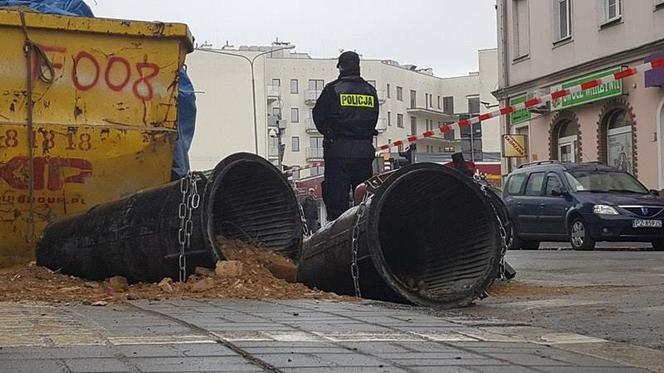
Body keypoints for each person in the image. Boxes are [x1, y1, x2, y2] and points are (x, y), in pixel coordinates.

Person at [312, 51, 379, 221]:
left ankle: (337, 237)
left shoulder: (332, 90)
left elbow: (319, 116)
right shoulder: (370, 91)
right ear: (358, 66)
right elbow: (374, 118)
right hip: (364, 151)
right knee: (364, 199)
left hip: (338, 151)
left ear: (340, 67)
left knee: (337, 200)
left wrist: (330, 134)